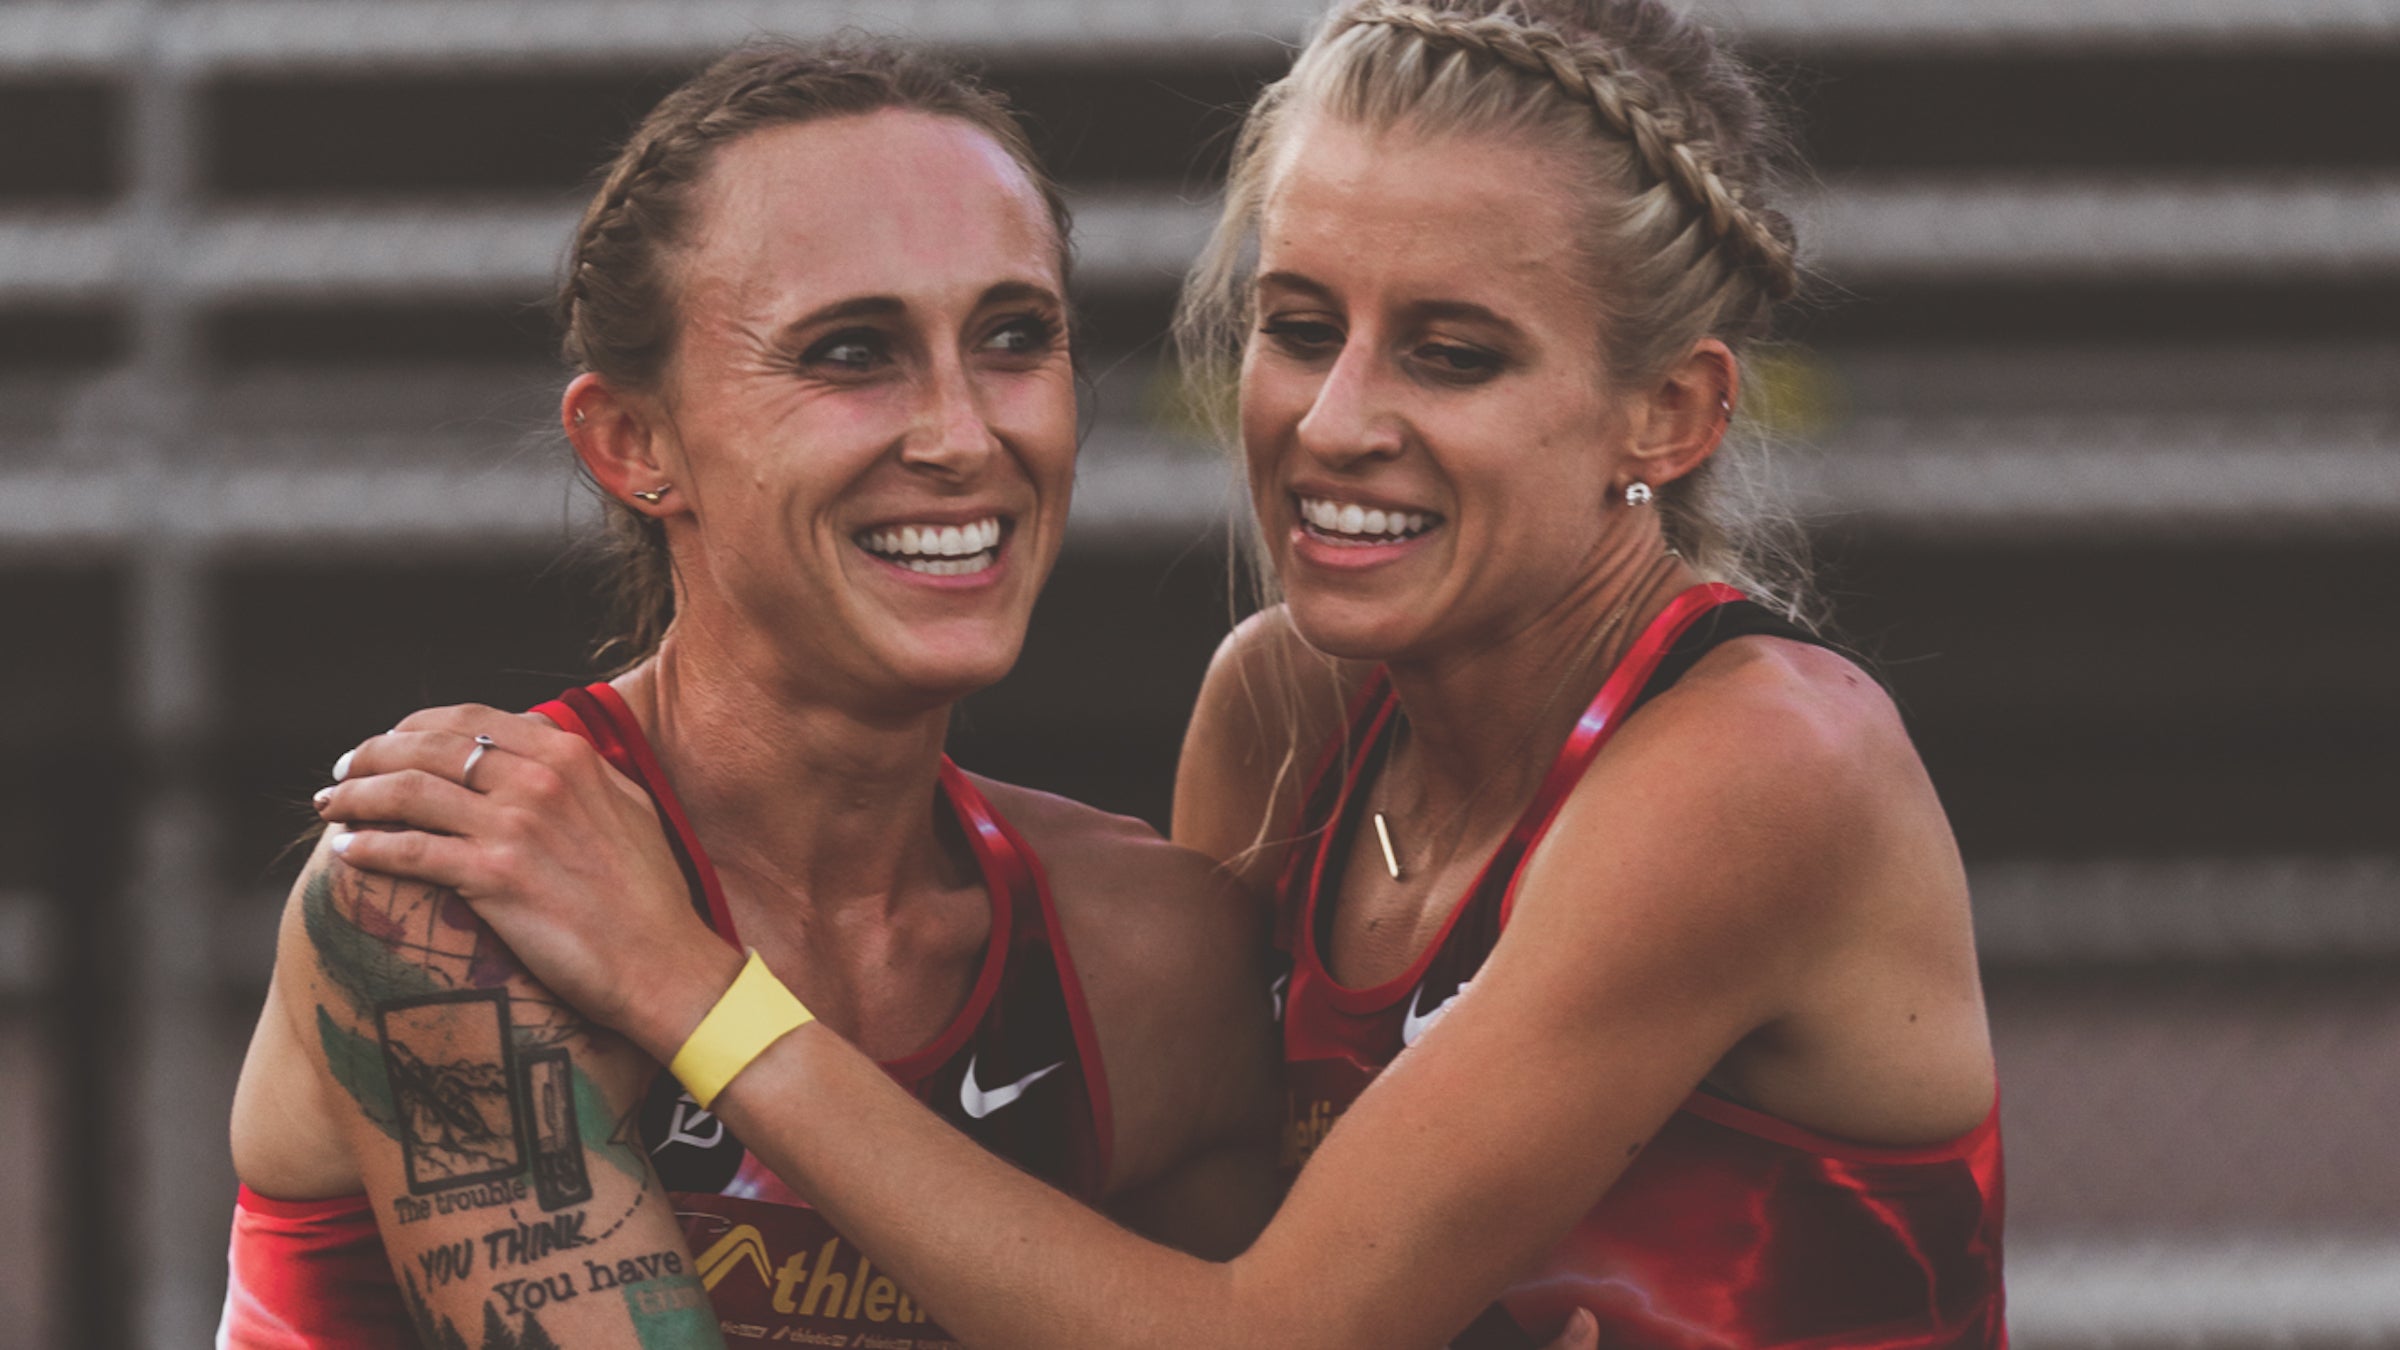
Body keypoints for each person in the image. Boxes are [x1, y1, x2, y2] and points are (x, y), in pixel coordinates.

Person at [322, 1, 2006, 1346]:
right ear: (631, 444)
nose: (1335, 418)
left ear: (1675, 414)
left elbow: (1257, 1326)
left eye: (1453, 352)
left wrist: (698, 994)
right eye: (1294, 323)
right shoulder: (1295, 713)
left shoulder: (1760, 767)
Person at [221, 41, 1282, 1350]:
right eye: (851, 351)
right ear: (635, 444)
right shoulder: (454, 889)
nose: (963, 435)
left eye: (1015, 337)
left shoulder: (1152, 961)